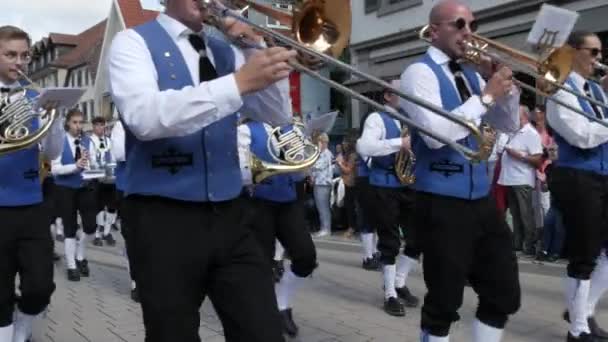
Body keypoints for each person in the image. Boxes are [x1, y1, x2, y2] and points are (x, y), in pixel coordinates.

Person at [107, 0, 297, 340]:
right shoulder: (132, 42)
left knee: (263, 331)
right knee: (172, 333)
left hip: (230, 212)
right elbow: (144, 118)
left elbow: (277, 115)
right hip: (161, 215)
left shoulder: (227, 51)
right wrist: (237, 83)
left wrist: (255, 48)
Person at [400, 1, 521, 340]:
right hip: (441, 202)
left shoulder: (470, 74)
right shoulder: (418, 73)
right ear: (434, 30)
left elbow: (508, 123)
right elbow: (438, 137)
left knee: (504, 294)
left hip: (481, 199)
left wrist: (503, 88)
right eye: (459, 24)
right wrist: (484, 97)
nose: (469, 33)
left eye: (472, 25)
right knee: (444, 301)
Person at [0, 25, 64, 342]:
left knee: (40, 285)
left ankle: (22, 330)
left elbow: (52, 152)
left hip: (31, 203)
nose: (20, 62)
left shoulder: (36, 97)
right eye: (10, 54)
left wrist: (53, 119)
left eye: (24, 55)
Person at [546, 30, 608, 342]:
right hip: (576, 177)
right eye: (593, 52)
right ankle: (577, 330)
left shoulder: (596, 91)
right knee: (584, 255)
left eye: (600, 53)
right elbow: (581, 136)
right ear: (573, 52)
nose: (599, 59)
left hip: (603, 175)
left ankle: (582, 311)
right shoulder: (560, 90)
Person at [239, 119, 317, 337]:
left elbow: (300, 174)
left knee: (306, 256)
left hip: (288, 200)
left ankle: (282, 302)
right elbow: (240, 170)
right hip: (257, 202)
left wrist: (306, 157)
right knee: (261, 263)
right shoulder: (245, 130)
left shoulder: (290, 129)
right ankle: (265, 312)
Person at [357, 80, 420, 317]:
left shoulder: (409, 119)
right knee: (390, 241)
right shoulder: (376, 118)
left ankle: (399, 282)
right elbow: (364, 147)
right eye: (402, 92)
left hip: (407, 184)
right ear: (388, 96)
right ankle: (390, 294)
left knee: (417, 237)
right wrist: (399, 143)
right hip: (383, 185)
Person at [51, 109, 99, 282]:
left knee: (91, 226)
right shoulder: (59, 141)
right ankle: (72, 265)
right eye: (75, 122)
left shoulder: (88, 140)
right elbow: (55, 169)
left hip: (85, 187)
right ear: (67, 123)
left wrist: (95, 168)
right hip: (65, 188)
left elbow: (93, 162)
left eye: (81, 122)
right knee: (69, 228)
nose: (78, 126)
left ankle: (80, 255)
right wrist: (75, 166)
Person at [497, 105, 543, 255]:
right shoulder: (512, 131)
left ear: (523, 116)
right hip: (509, 178)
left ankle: (529, 244)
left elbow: (537, 159)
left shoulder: (531, 133)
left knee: (525, 214)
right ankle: (518, 243)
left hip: (522, 179)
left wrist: (520, 156)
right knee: (515, 214)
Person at [89, 116, 118, 247]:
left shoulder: (109, 141)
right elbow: (91, 159)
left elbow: (113, 156)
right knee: (99, 207)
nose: (100, 127)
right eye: (97, 125)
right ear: (93, 127)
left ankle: (107, 232)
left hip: (110, 178)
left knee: (112, 207)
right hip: (97, 177)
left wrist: (112, 169)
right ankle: (97, 234)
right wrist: (100, 170)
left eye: (102, 125)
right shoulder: (90, 141)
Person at [310, 133, 334, 237]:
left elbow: (316, 166)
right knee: (321, 207)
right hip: (319, 183)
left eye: (318, 142)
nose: (316, 144)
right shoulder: (322, 153)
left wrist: (318, 151)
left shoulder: (325, 154)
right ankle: (324, 227)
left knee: (323, 207)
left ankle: (326, 229)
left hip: (323, 184)